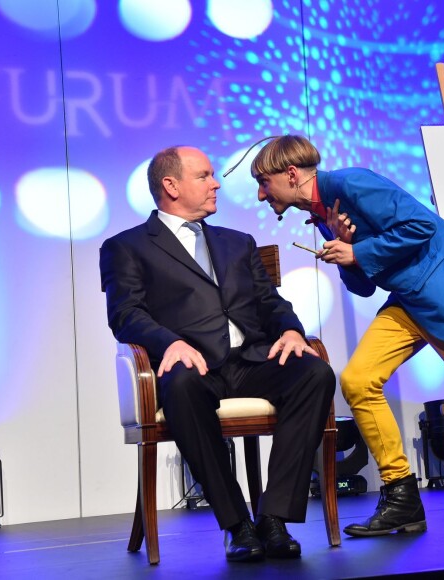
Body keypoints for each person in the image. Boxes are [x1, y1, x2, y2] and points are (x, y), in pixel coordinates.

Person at [247, 134, 444, 537]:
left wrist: (358, 253)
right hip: (410, 300)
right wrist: (349, 252)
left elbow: (420, 224)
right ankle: (402, 498)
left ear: (291, 173)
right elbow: (364, 287)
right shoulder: (324, 213)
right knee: (358, 380)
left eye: (264, 183)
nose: (262, 195)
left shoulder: (350, 183)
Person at [99, 145, 335, 561]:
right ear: (170, 185)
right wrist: (168, 342)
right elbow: (125, 314)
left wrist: (293, 331)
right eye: (205, 176)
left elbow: (270, 302)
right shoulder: (128, 247)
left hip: (250, 360)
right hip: (193, 365)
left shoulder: (237, 243)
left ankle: (274, 516)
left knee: (314, 374)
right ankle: (236, 522)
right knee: (184, 386)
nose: (216, 184)